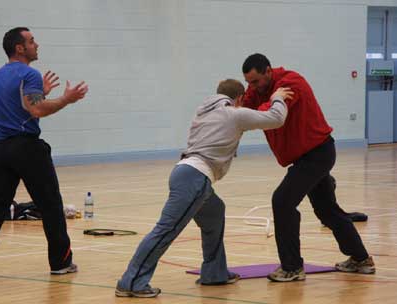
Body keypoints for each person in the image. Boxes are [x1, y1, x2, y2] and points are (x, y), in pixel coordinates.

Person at [115, 79, 292, 297]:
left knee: (215, 212)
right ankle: (131, 282)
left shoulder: (204, 110)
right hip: (195, 178)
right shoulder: (234, 113)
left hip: (185, 172)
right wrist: (278, 98)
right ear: (239, 98)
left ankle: (214, 273)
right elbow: (276, 118)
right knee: (165, 230)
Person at [0, 27, 88, 282]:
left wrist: (42, 93)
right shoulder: (29, 74)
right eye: (31, 41)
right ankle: (61, 263)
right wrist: (66, 99)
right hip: (26, 148)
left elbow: (22, 107)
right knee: (51, 206)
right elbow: (36, 110)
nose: (36, 44)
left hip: (0, 149)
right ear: (19, 48)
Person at [239, 53, 375, 282]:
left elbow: (271, 114)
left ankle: (292, 267)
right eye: (248, 82)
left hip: (317, 154)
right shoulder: (260, 89)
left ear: (268, 72)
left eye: (255, 81)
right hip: (307, 157)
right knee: (327, 210)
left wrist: (257, 108)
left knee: (282, 201)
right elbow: (244, 106)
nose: (251, 87)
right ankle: (361, 259)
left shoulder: (292, 83)